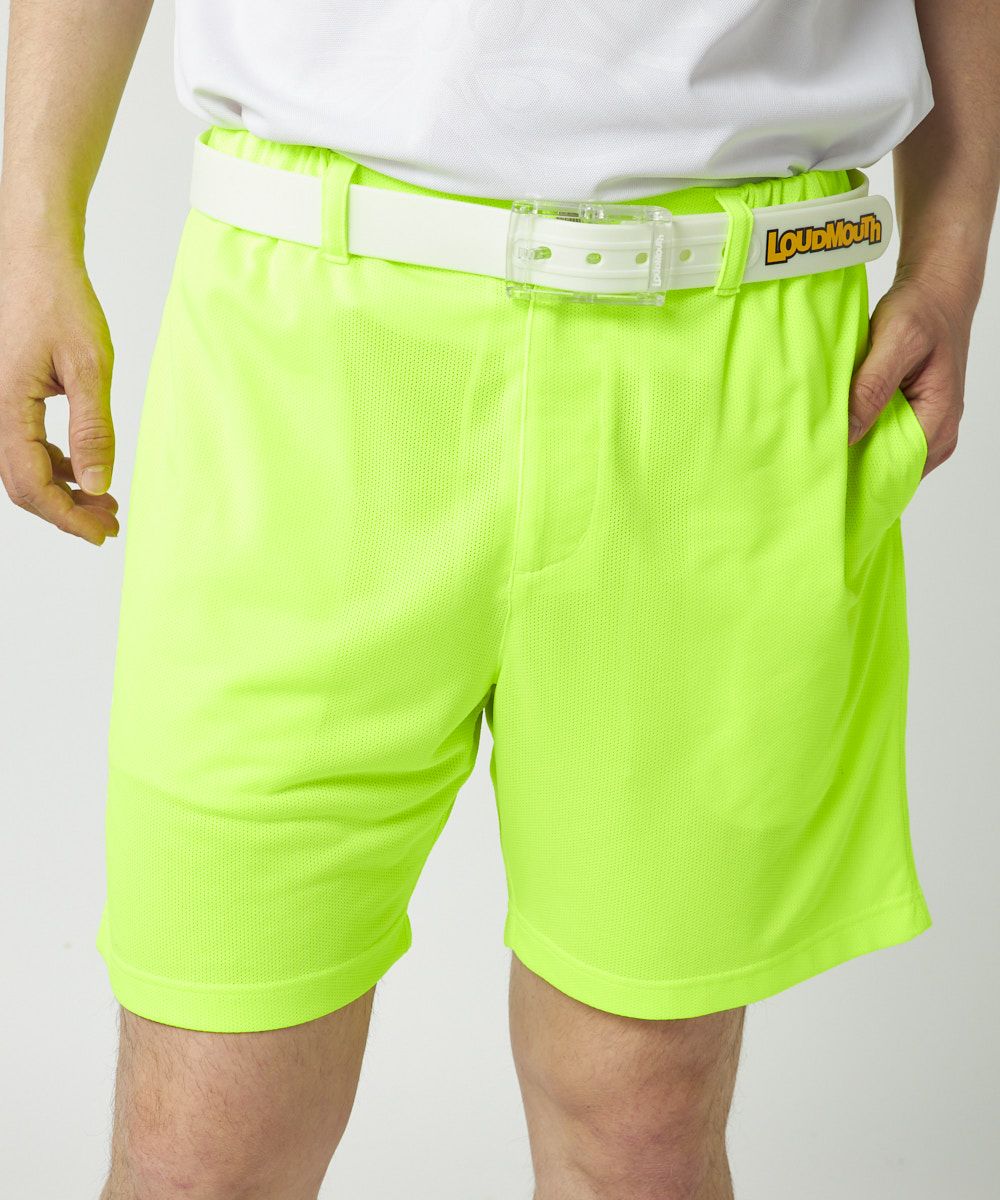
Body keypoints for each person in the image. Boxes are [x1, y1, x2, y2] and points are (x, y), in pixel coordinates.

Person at [1, 2, 996, 1197]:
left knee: (638, 1131)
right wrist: (30, 228)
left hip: (729, 354)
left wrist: (951, 250)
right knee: (199, 1140)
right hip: (303, 355)